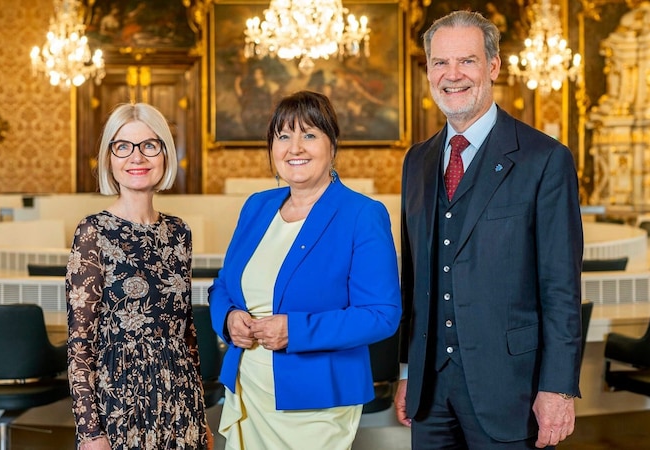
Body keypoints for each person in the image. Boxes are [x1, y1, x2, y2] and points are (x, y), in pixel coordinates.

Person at [395, 10, 584, 450]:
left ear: (493, 66)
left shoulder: (544, 158)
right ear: (428, 70)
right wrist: (408, 370)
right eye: (440, 63)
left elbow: (561, 286)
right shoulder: (416, 161)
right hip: (430, 392)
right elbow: (415, 280)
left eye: (467, 61)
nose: (452, 75)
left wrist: (557, 389)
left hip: (510, 388)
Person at [208, 90, 402, 450]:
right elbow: (222, 285)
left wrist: (294, 330)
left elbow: (382, 315)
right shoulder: (257, 207)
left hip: (317, 403)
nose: (295, 148)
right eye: (283, 136)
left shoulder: (361, 214)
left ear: (332, 145)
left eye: (309, 135)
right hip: (248, 389)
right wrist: (229, 318)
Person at [66, 103, 213, 450]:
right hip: (119, 404)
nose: (137, 157)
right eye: (123, 147)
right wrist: (90, 433)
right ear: (110, 159)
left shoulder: (180, 232)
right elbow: (80, 345)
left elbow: (186, 334)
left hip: (180, 402)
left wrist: (202, 416)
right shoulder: (93, 232)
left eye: (150, 145)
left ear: (164, 154)